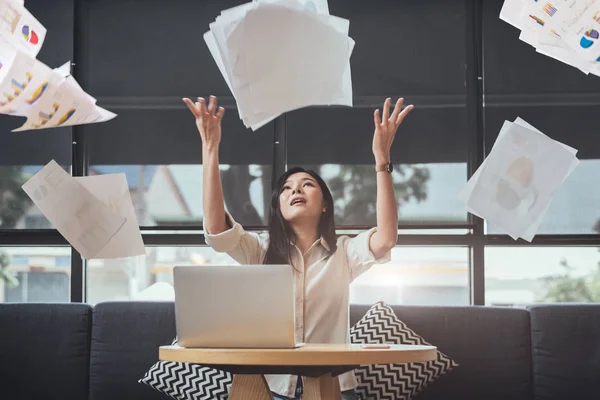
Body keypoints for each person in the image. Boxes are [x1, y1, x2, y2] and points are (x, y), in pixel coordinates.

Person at [183, 95, 414, 400]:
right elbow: (216, 229)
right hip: (274, 389)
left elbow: (386, 238)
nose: (296, 190)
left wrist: (382, 161)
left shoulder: (344, 252)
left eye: (307, 184)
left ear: (324, 206)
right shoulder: (258, 251)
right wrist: (210, 147)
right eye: (287, 188)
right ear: (278, 207)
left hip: (336, 389)